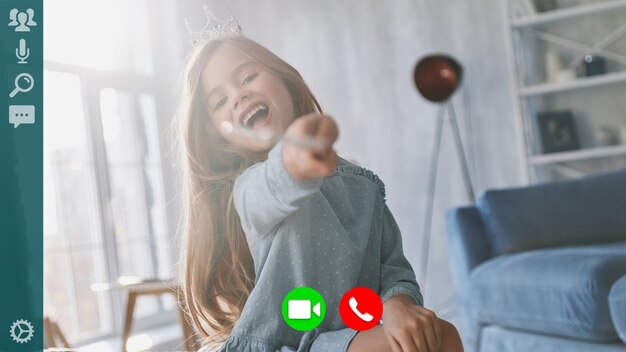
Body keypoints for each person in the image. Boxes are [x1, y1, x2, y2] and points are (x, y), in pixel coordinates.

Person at [176, 33, 463, 352]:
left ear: (285, 80)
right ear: (220, 138)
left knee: (442, 334)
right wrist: (293, 157)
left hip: (346, 337)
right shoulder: (248, 192)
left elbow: (392, 268)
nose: (238, 96)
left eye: (248, 76)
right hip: (285, 345)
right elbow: (276, 183)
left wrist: (399, 304)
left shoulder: (365, 187)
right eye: (218, 102)